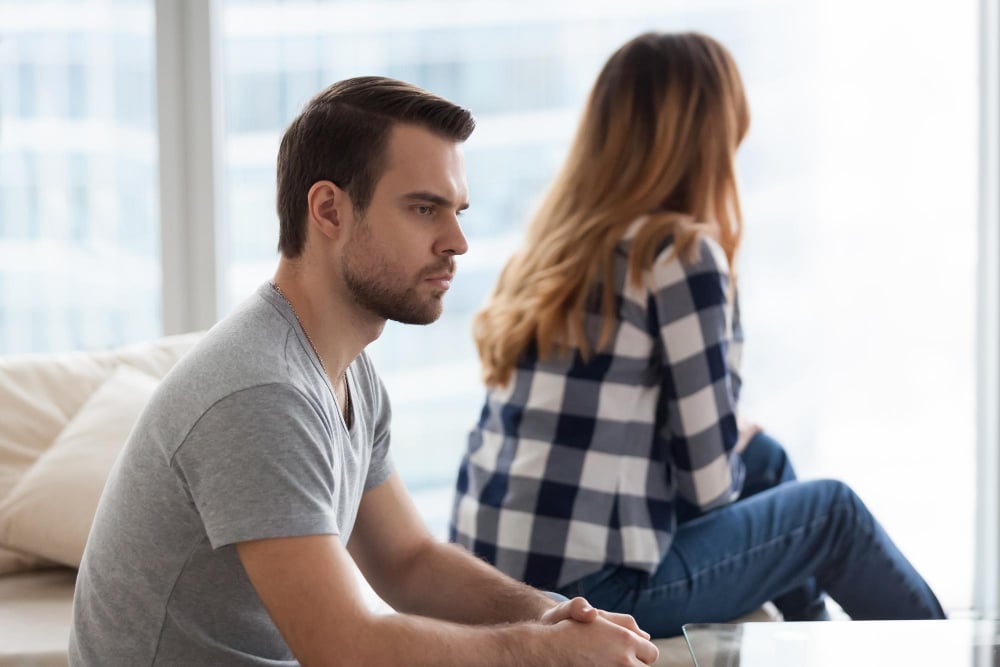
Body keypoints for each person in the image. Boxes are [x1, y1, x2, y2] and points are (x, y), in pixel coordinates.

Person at [69, 76, 660, 666]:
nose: (457, 241)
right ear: (329, 210)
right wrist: (542, 652)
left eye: (456, 212)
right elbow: (344, 646)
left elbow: (408, 561)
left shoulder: (345, 369)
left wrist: (550, 616)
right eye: (424, 209)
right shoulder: (261, 392)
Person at [450, 32, 946, 639]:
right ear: (710, 139)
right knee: (832, 512)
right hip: (590, 592)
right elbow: (710, 487)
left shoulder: (557, 249)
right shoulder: (677, 252)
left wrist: (732, 444)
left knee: (762, 458)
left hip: (487, 578)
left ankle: (808, 635)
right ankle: (954, 653)